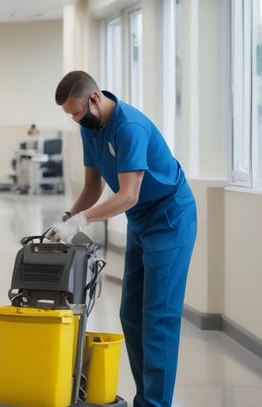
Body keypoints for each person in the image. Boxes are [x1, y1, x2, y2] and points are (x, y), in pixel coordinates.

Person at [47, 70, 197, 407]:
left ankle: (155, 404)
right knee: (131, 312)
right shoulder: (91, 127)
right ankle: (145, 398)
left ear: (95, 99)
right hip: (141, 221)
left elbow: (128, 194)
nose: (74, 119)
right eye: (69, 114)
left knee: (158, 317)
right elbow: (93, 187)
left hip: (170, 218)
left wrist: (84, 220)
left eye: (76, 112)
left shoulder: (129, 128)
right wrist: (68, 220)